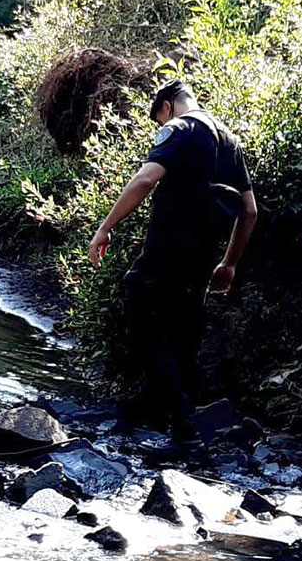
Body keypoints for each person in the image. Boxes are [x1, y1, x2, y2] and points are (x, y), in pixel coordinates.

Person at [87, 79, 258, 439]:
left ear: (166, 106)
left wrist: (104, 228)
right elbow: (250, 211)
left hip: (168, 248)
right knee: (185, 330)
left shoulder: (180, 128)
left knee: (140, 310)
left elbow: (147, 178)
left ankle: (175, 414)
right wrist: (229, 262)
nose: (160, 125)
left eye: (158, 119)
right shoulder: (231, 141)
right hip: (204, 257)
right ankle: (182, 421)